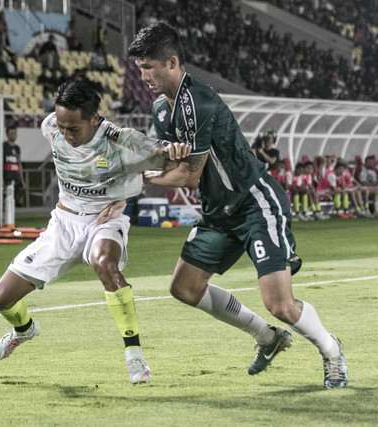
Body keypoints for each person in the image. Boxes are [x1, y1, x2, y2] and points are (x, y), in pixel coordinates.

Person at [127, 21, 347, 388]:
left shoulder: (199, 100)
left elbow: (188, 176)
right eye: (140, 68)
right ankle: (267, 337)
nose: (144, 75)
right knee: (184, 288)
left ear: (172, 62)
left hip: (253, 202)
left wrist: (136, 179)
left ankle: (331, 351)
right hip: (218, 212)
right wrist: (156, 163)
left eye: (148, 67)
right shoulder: (161, 111)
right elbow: (173, 164)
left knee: (280, 304)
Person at [0, 79, 190, 384]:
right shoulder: (50, 127)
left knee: (104, 263)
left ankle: (134, 355)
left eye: (74, 129)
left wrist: (173, 151)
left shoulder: (123, 142)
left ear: (94, 118)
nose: (66, 135)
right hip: (64, 222)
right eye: (62, 126)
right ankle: (24, 329)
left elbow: (166, 163)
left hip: (105, 220)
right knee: (0, 298)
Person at [1, 124, 25, 206]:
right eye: (11, 133)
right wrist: (1, 178)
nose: (14, 135)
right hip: (7, 177)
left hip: (16, 177)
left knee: (17, 199)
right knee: (6, 199)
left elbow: (19, 164)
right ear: (7, 134)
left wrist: (22, 180)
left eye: (15, 133)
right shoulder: (3, 146)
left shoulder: (17, 148)